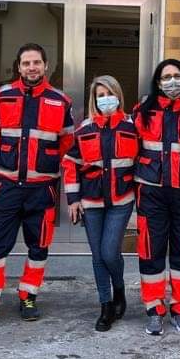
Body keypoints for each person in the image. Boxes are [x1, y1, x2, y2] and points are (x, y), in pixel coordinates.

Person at [0, 43, 73, 326]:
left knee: (38, 247)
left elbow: (66, 140)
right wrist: (7, 156)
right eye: (26, 63)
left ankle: (29, 295)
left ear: (45, 66)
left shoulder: (60, 100)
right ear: (18, 67)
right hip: (8, 185)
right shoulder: (2, 96)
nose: (31, 68)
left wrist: (44, 161)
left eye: (36, 62)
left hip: (42, 188)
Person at [132, 59, 180, 336]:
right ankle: (154, 309)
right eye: (166, 77)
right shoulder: (142, 113)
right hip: (151, 194)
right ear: (158, 83)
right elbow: (128, 150)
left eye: (177, 76)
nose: (172, 81)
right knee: (151, 254)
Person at [63, 75, 138, 331]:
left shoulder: (132, 126)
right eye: (100, 95)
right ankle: (106, 306)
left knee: (109, 252)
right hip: (91, 200)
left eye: (110, 93)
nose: (106, 99)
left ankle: (119, 291)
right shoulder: (84, 128)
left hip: (121, 199)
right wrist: (73, 199)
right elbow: (70, 163)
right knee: (97, 256)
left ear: (118, 95)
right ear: (94, 100)